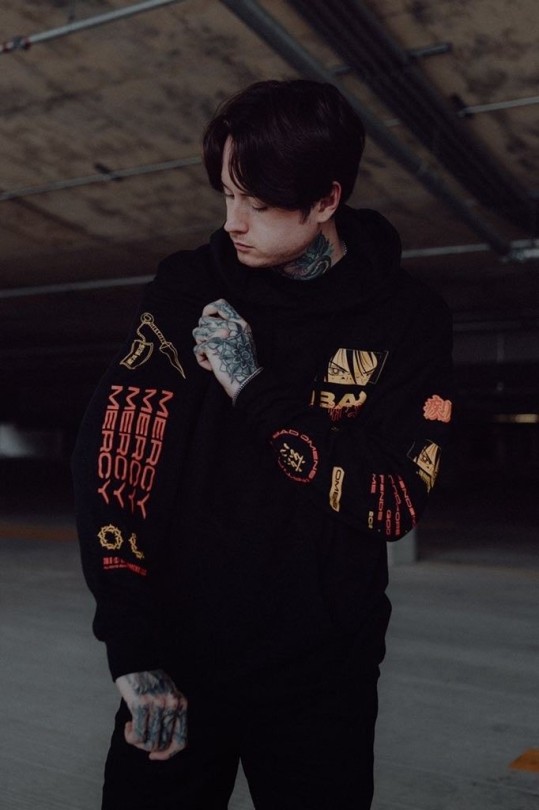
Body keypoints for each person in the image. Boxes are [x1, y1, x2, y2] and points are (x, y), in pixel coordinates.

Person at [72, 79, 453, 810]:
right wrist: (131, 647)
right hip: (178, 666)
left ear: (326, 200)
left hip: (324, 678)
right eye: (226, 195)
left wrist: (250, 385)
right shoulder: (188, 287)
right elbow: (116, 459)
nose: (233, 223)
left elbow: (393, 502)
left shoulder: (408, 319)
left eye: (257, 203)